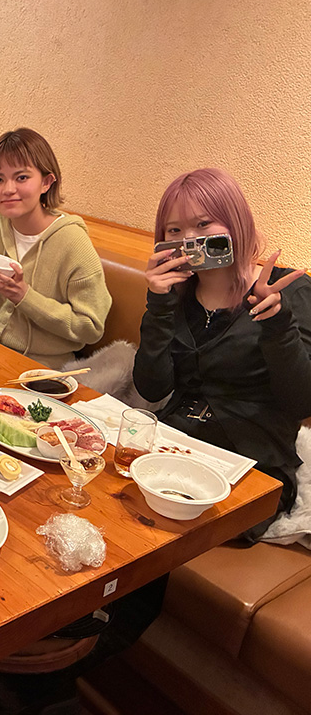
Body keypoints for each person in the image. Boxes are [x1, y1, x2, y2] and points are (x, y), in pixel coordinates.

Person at [133, 168, 311, 540]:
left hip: (254, 462)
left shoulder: (289, 292)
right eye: (174, 230)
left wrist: (278, 325)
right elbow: (152, 388)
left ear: (235, 222)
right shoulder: (177, 294)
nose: (189, 240)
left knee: (173, 528)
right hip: (177, 445)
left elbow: (301, 403)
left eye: (203, 224)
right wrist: (159, 304)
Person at [0, 127, 111, 368]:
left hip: (43, 370)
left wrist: (25, 297)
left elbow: (90, 327)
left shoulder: (73, 242)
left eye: (21, 177)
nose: (8, 189)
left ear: (46, 182)